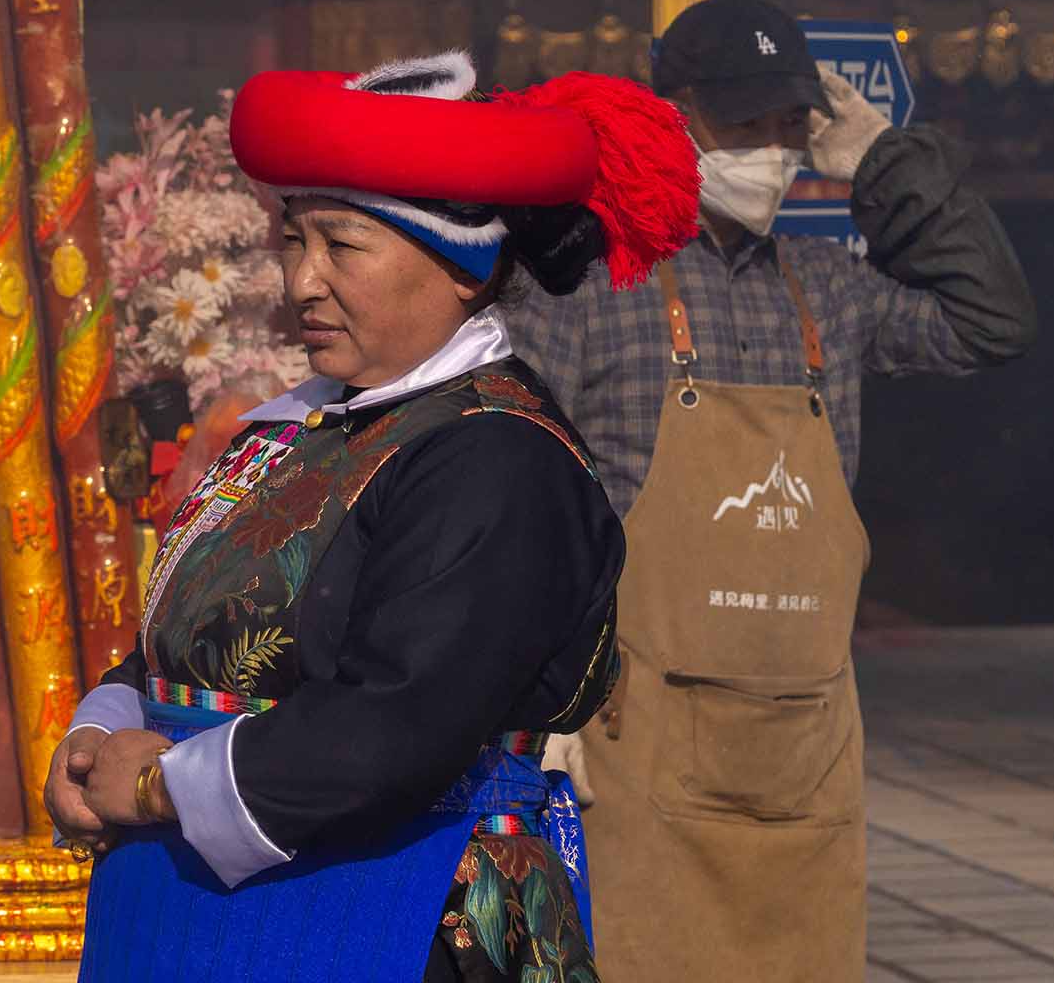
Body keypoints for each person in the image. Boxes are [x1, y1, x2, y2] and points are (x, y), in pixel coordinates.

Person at [45, 50, 703, 983]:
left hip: (387, 913)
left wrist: (159, 786)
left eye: (342, 246)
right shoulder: (294, 430)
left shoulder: (496, 458)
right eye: (292, 239)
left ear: (464, 270)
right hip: (210, 914)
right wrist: (102, 726)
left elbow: (401, 723)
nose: (300, 282)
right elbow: (196, 635)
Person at [511, 0, 1039, 982]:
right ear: (676, 118)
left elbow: (991, 322)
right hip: (638, 761)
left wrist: (886, 160)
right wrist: (531, 699)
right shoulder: (593, 285)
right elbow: (517, 497)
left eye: (785, 122)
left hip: (804, 763)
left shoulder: (828, 291)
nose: (769, 145)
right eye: (741, 121)